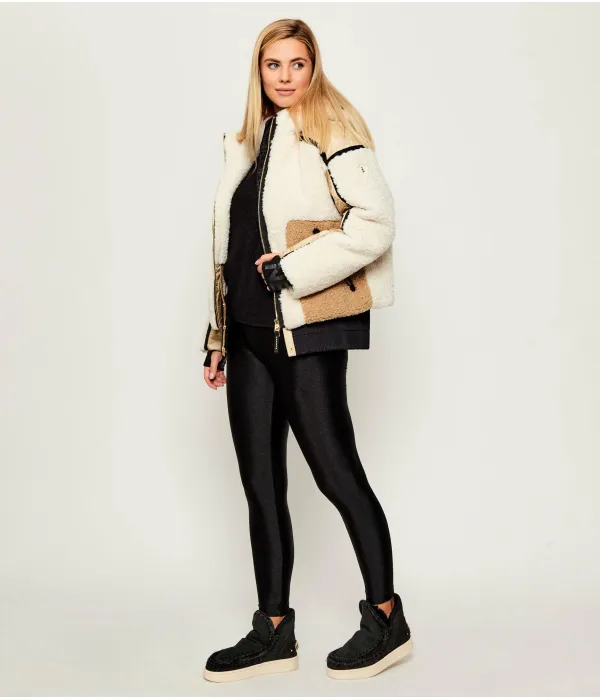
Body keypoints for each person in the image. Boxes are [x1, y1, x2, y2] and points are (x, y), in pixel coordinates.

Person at [201, 18, 413, 683]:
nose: (286, 76)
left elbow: (375, 223)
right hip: (249, 337)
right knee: (261, 485)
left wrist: (292, 268)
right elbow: (232, 246)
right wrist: (217, 335)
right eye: (274, 65)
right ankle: (273, 630)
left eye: (297, 63)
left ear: (313, 66)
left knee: (336, 474)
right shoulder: (249, 140)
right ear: (259, 71)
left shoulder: (332, 127)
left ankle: (387, 618)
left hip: (305, 331)